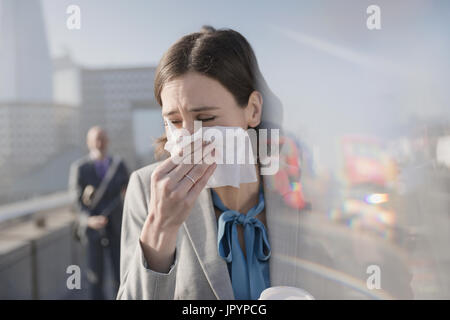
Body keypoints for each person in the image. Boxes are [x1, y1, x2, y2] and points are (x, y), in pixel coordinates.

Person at [117, 26, 412, 300]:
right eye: (175, 121)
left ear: (253, 110)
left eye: (206, 118)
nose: (189, 138)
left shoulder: (305, 188)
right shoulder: (146, 190)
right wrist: (160, 229)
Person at [69, 126, 129, 299]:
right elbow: (76, 201)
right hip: (92, 231)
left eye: (103, 138)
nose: (100, 142)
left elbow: (129, 190)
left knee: (121, 275)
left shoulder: (119, 165)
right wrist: (89, 220)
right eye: (96, 139)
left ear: (108, 141)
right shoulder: (80, 168)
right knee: (95, 278)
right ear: (88, 143)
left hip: (117, 228)